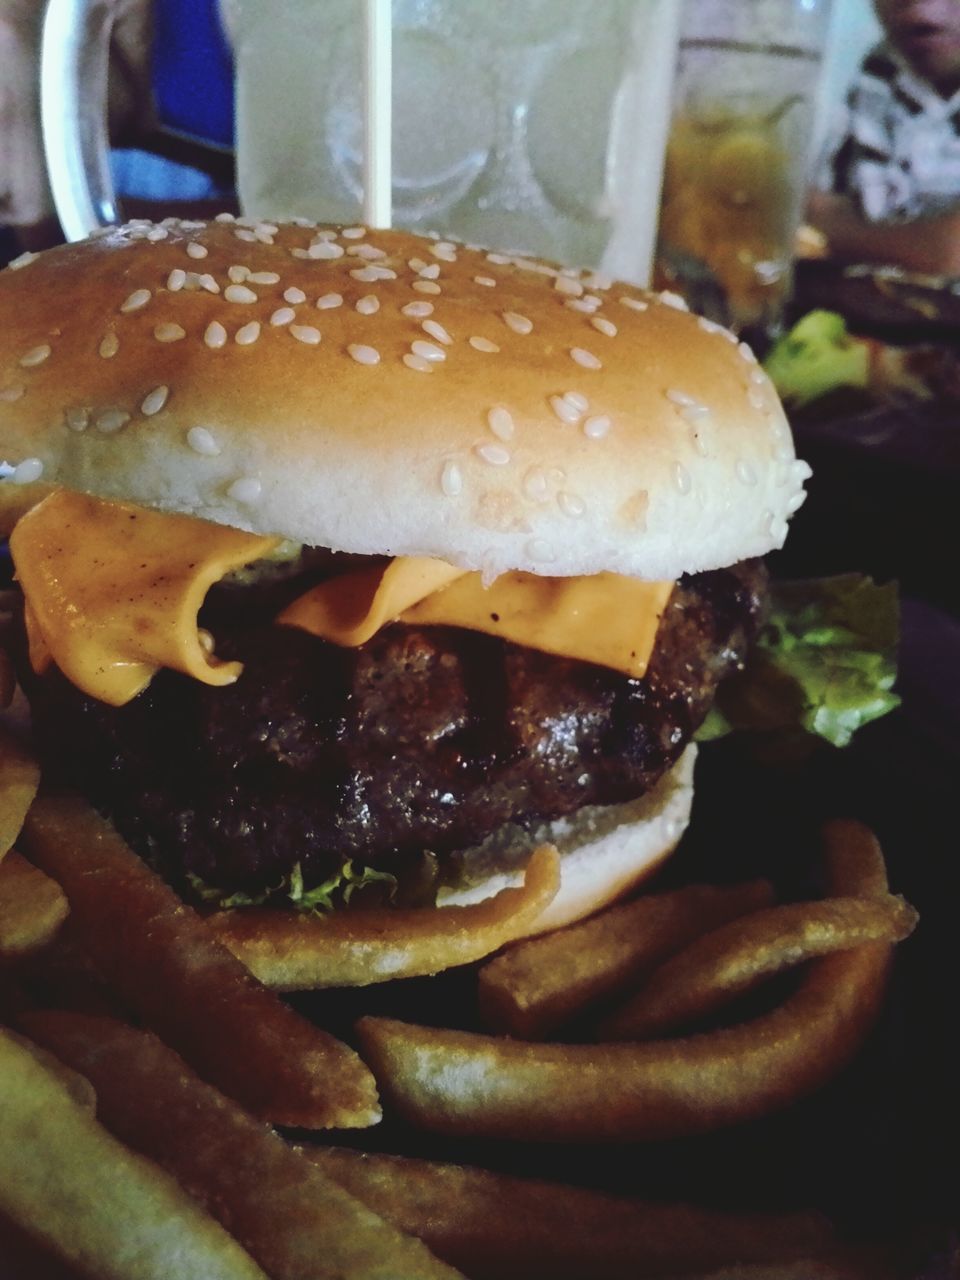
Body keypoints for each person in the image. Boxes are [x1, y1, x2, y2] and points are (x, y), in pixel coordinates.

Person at [808, 0, 960, 275]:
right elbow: (806, 219)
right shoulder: (881, 71)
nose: (920, 15)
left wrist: (835, 227)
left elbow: (952, 254)